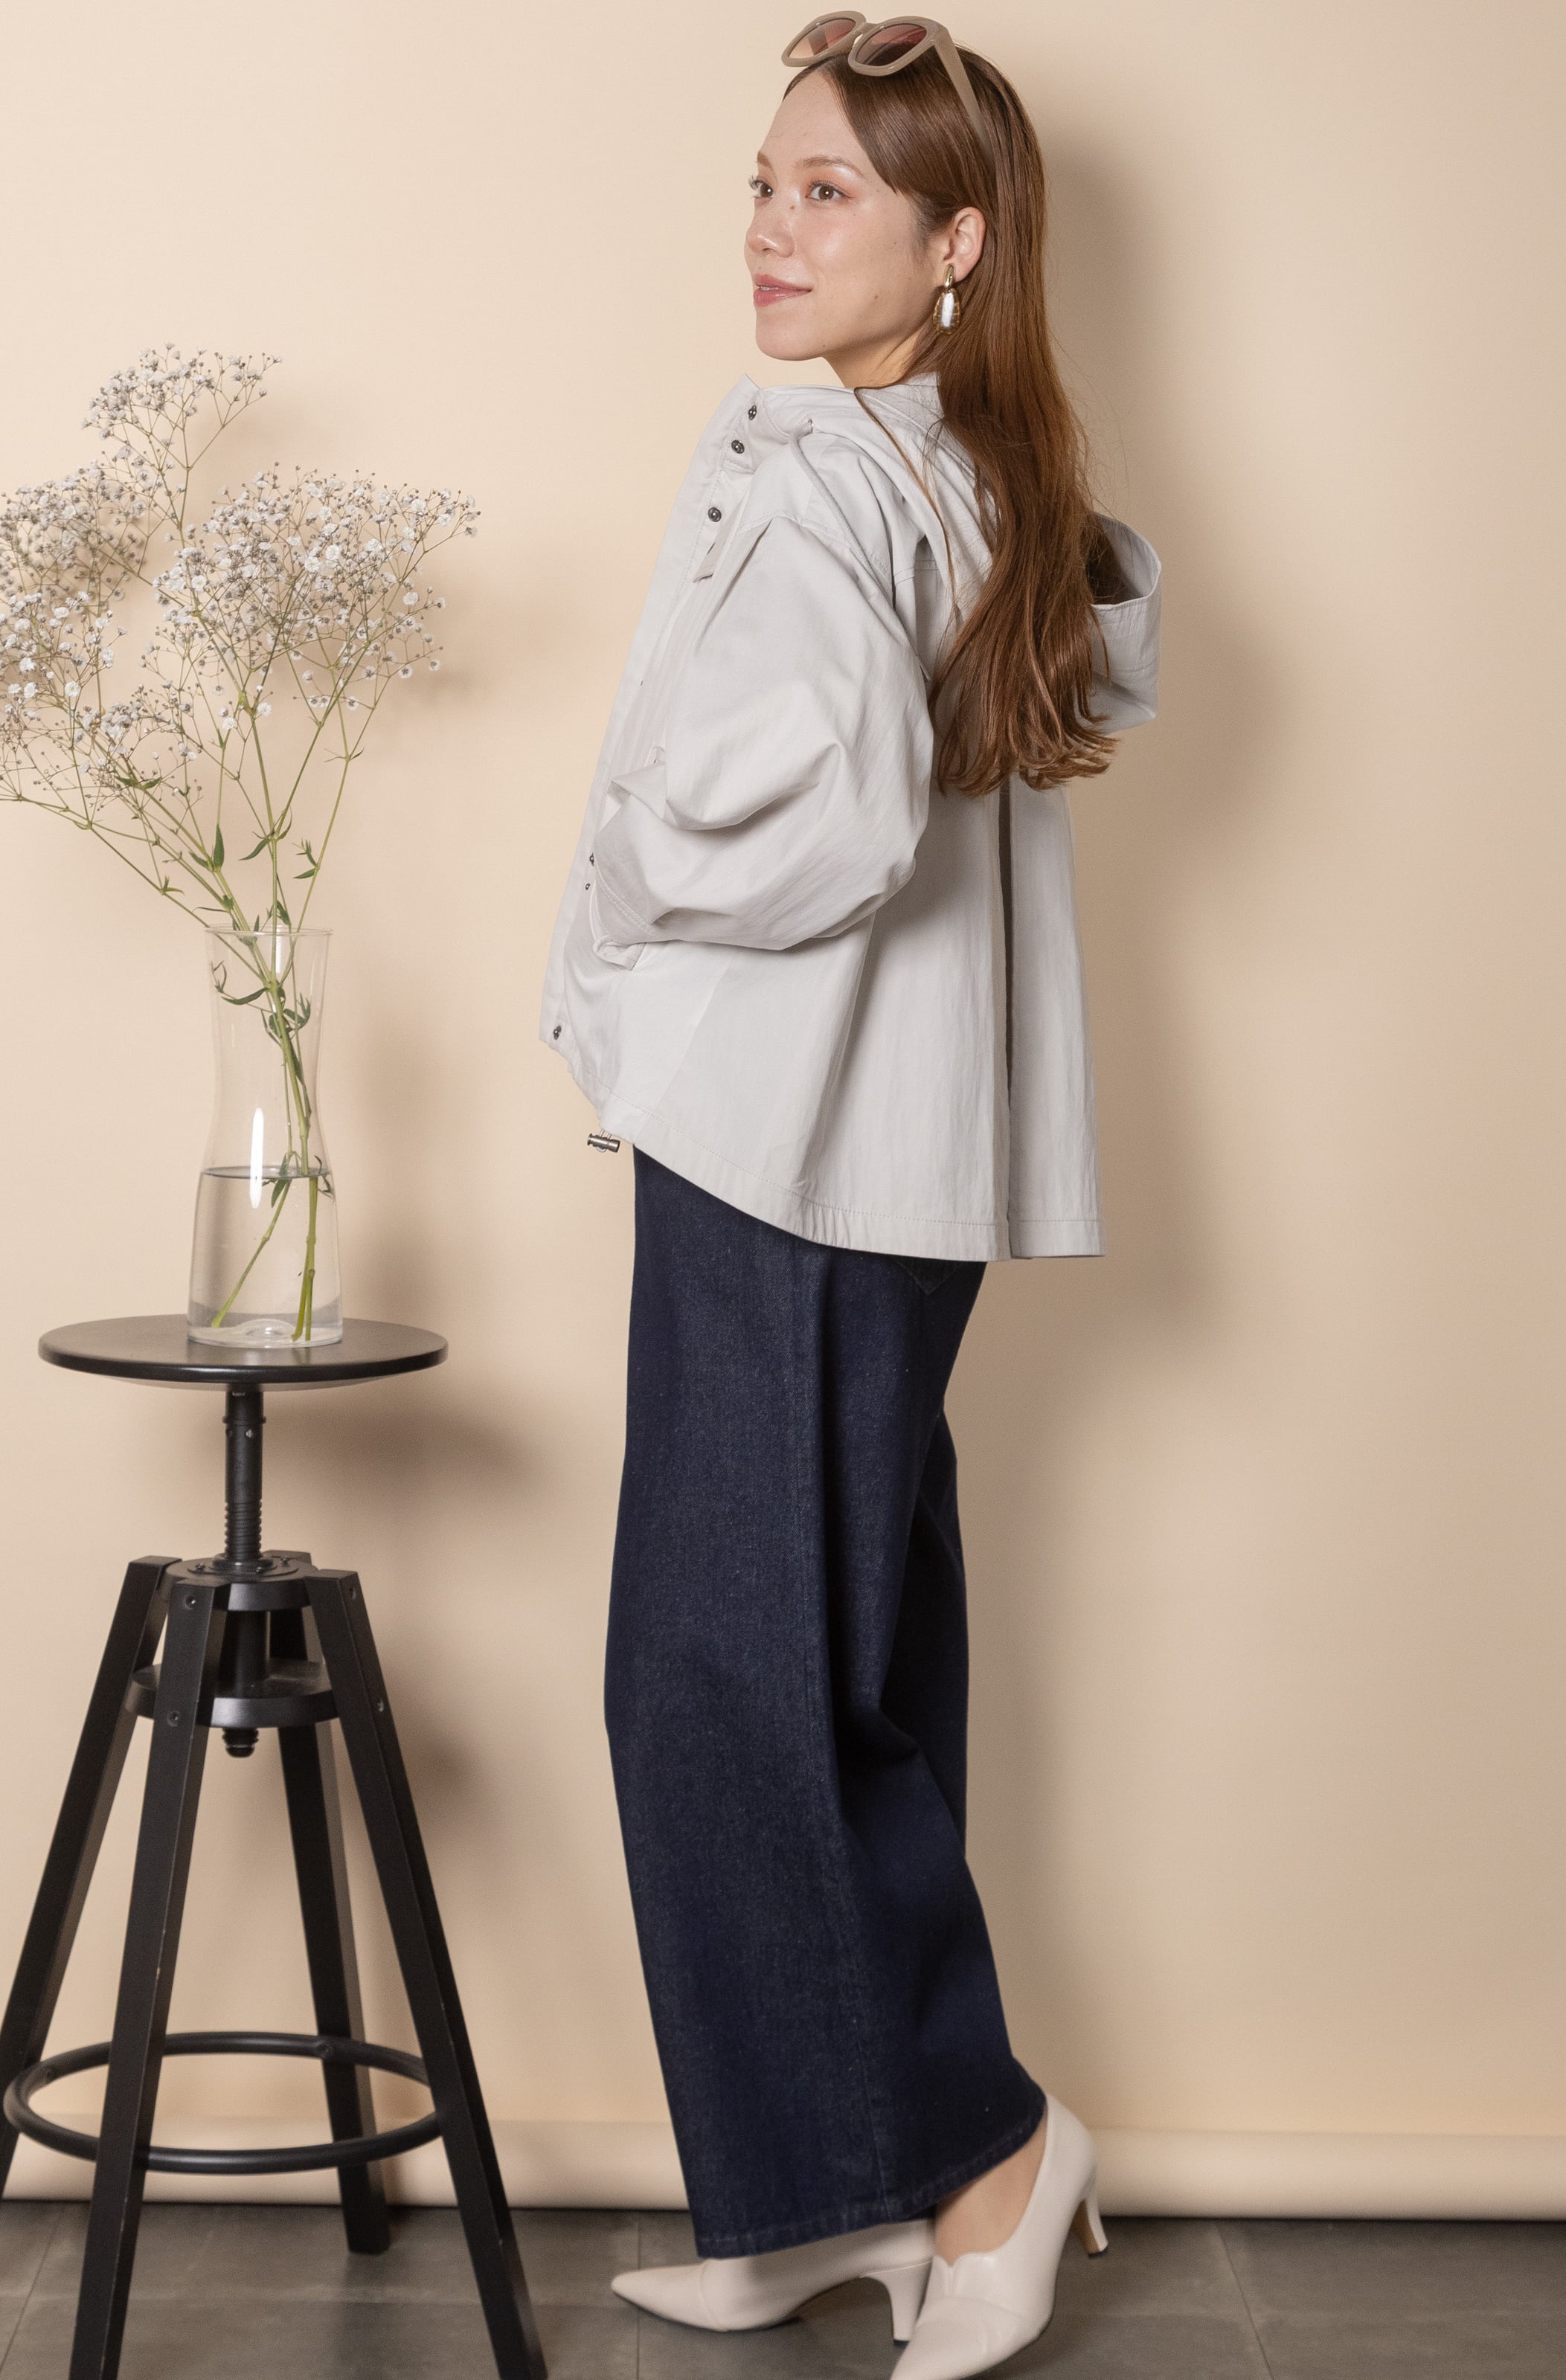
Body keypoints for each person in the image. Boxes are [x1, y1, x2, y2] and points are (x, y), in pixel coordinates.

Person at [539, 16, 1160, 2375]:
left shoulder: (822, 468)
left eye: (827, 193)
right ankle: (831, 2182)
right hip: (882, 1153)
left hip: (785, 1146)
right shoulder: (975, 462)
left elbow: (817, 820)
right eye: (763, 183)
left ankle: (984, 2148)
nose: (771, 232)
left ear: (953, 239)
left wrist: (622, 870)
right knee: (835, 1657)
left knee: (721, 1681)